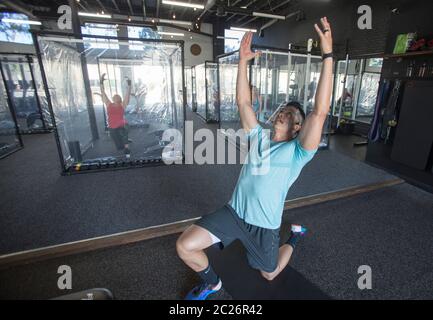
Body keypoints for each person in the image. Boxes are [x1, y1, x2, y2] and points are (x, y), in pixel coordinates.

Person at [176, 17, 334, 300]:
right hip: (234, 213)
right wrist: (242, 62)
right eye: (283, 109)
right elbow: (243, 102)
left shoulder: (298, 152)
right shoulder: (258, 137)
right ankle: (212, 284)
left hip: (265, 227)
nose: (284, 112)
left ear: (299, 127)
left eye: (292, 114)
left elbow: (320, 112)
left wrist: (328, 55)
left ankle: (294, 238)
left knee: (269, 272)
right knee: (185, 245)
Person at [100, 73, 132, 158]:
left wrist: (129, 85)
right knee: (119, 147)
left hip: (122, 125)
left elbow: (127, 95)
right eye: (115, 96)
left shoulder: (123, 105)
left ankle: (127, 149)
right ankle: (124, 143)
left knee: (123, 132)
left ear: (120, 99)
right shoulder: (109, 104)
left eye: (117, 96)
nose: (116, 96)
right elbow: (103, 93)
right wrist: (101, 82)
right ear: (113, 99)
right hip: (112, 127)